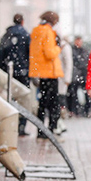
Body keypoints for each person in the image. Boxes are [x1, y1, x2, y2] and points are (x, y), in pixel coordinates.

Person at [29, 11, 63, 139]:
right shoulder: (48, 32)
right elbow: (49, 53)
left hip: (40, 72)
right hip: (50, 72)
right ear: (53, 21)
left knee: (43, 102)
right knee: (54, 103)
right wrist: (59, 47)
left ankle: (40, 129)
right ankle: (50, 129)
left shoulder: (36, 31)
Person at [0, 13, 31, 136]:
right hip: (23, 72)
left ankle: (10, 125)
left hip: (9, 72)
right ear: (22, 22)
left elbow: (0, 55)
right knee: (23, 99)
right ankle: (21, 125)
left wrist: (3, 68)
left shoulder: (6, 35)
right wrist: (28, 70)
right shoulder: (26, 35)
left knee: (10, 98)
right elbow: (30, 54)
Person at [67, 36, 91, 117]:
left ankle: (86, 111)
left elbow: (86, 62)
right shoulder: (72, 50)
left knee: (86, 94)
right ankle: (75, 111)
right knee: (73, 94)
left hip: (83, 75)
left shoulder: (84, 50)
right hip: (75, 75)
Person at [55, 36, 73, 135]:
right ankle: (58, 123)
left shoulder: (64, 46)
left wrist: (67, 79)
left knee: (60, 102)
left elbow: (69, 64)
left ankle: (59, 123)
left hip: (61, 79)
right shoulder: (56, 45)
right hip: (55, 78)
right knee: (57, 102)